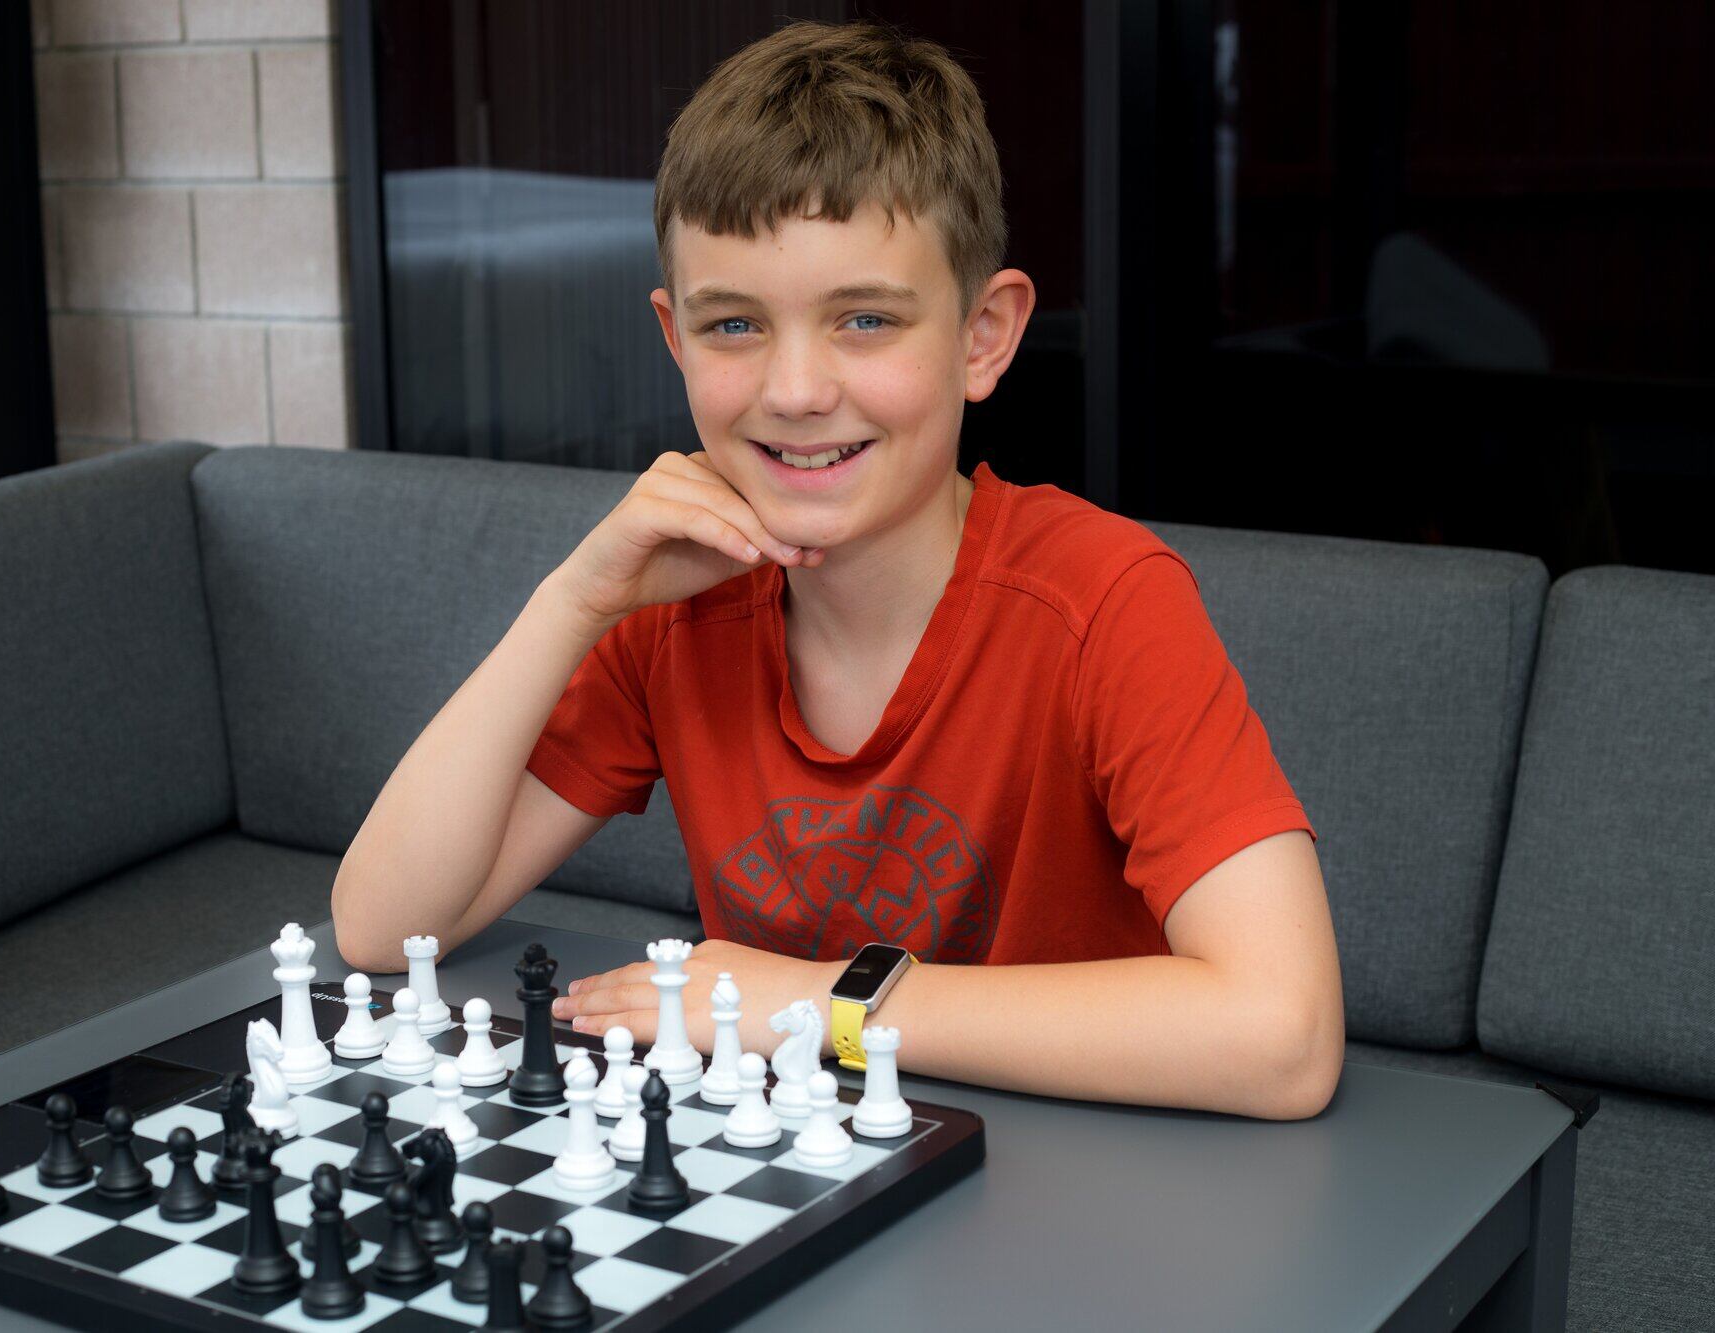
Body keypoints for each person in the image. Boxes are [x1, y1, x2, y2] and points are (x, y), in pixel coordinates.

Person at [334, 19, 1343, 1120]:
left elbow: (1281, 1037)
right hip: (795, 1175)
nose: (798, 388)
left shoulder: (1103, 599)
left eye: (864, 319)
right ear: (674, 342)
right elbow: (380, 926)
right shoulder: (675, 603)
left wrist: (815, 1005)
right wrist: (570, 601)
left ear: (983, 336)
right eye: (734, 325)